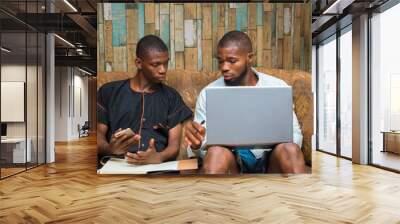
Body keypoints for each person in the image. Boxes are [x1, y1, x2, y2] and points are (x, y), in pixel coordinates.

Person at [184, 31, 306, 174]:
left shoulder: (278, 87)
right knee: (216, 153)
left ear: (249, 58)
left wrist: (281, 143)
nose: (224, 67)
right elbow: (200, 146)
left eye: (232, 61)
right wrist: (196, 146)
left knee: (290, 150)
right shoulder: (208, 93)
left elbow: (295, 134)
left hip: (272, 158)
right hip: (231, 159)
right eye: (221, 61)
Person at [97, 35, 192, 165]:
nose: (163, 70)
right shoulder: (108, 92)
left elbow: (174, 145)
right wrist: (110, 149)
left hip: (155, 170)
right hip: (116, 164)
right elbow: (97, 136)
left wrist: (158, 157)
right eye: (156, 64)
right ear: (139, 63)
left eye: (165, 63)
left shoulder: (171, 96)